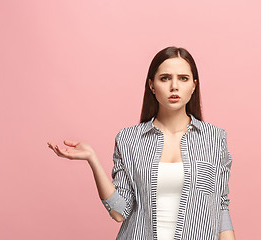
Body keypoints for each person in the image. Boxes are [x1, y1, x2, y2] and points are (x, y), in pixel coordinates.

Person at [47, 46, 236, 240]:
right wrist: (92, 159)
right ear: (152, 85)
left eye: (183, 78)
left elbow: (220, 207)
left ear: (194, 85)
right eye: (165, 78)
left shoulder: (214, 138)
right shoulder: (129, 139)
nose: (174, 86)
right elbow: (119, 212)